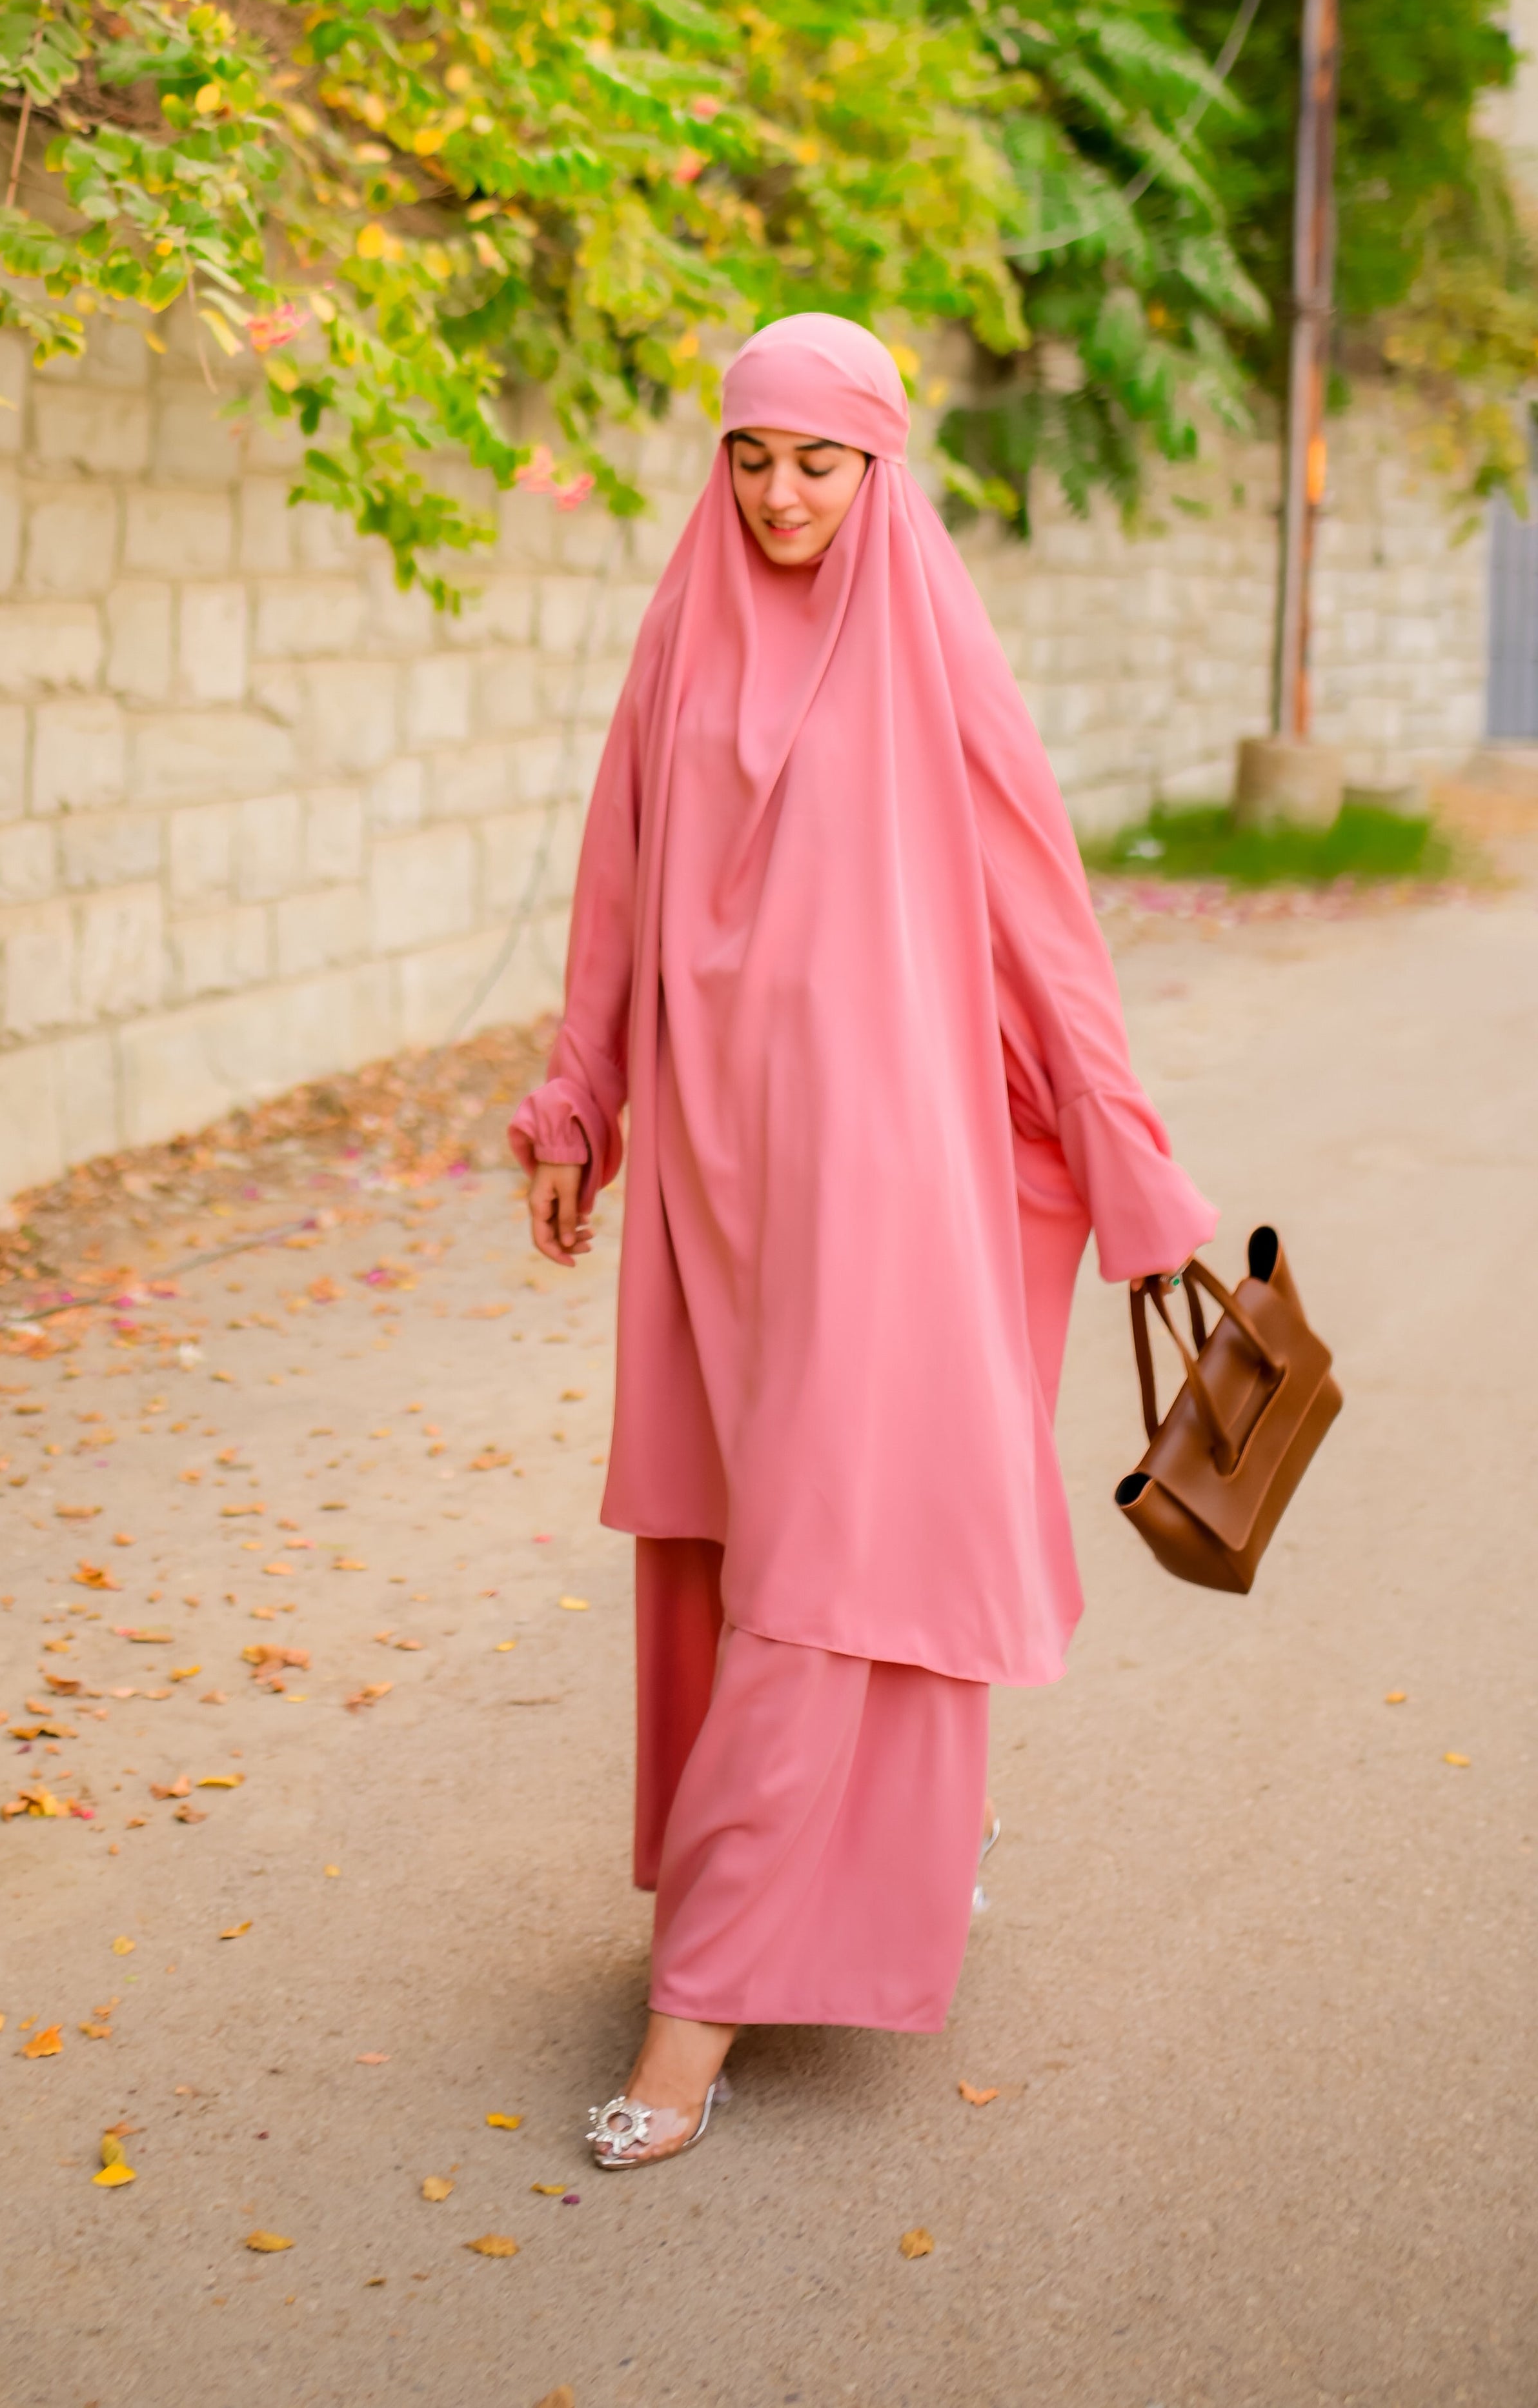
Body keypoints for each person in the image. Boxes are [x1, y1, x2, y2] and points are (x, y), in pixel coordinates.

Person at [509, 313, 1217, 2169]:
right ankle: (874, 1855)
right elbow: (617, 875)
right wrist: (579, 1102)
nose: (781, 492)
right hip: (717, 1191)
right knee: (745, 1541)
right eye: (751, 456)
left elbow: (1042, 918)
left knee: (824, 1556)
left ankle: (696, 2015)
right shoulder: (685, 631)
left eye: (820, 460)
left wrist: (1129, 1159)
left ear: (884, 464)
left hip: (886, 1188)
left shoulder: (930, 649)